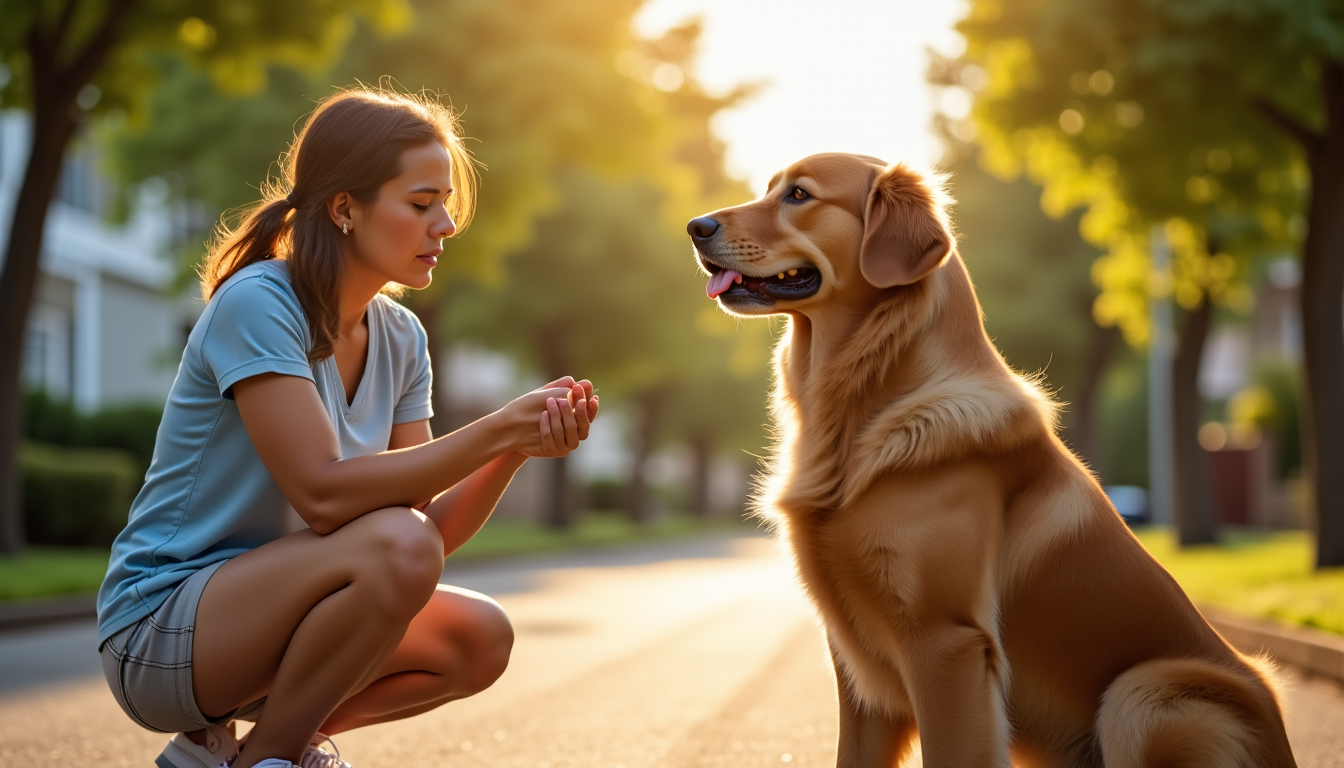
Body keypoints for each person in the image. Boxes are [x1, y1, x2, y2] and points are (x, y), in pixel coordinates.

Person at [96, 86, 599, 768]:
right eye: (422, 204)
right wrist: (492, 429)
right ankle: (270, 757)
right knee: (397, 543)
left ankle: (252, 751)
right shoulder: (260, 303)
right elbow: (326, 495)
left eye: (446, 203)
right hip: (161, 635)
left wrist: (514, 446)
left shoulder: (400, 336)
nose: (445, 224)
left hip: (285, 625)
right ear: (344, 209)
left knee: (480, 636)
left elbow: (425, 536)